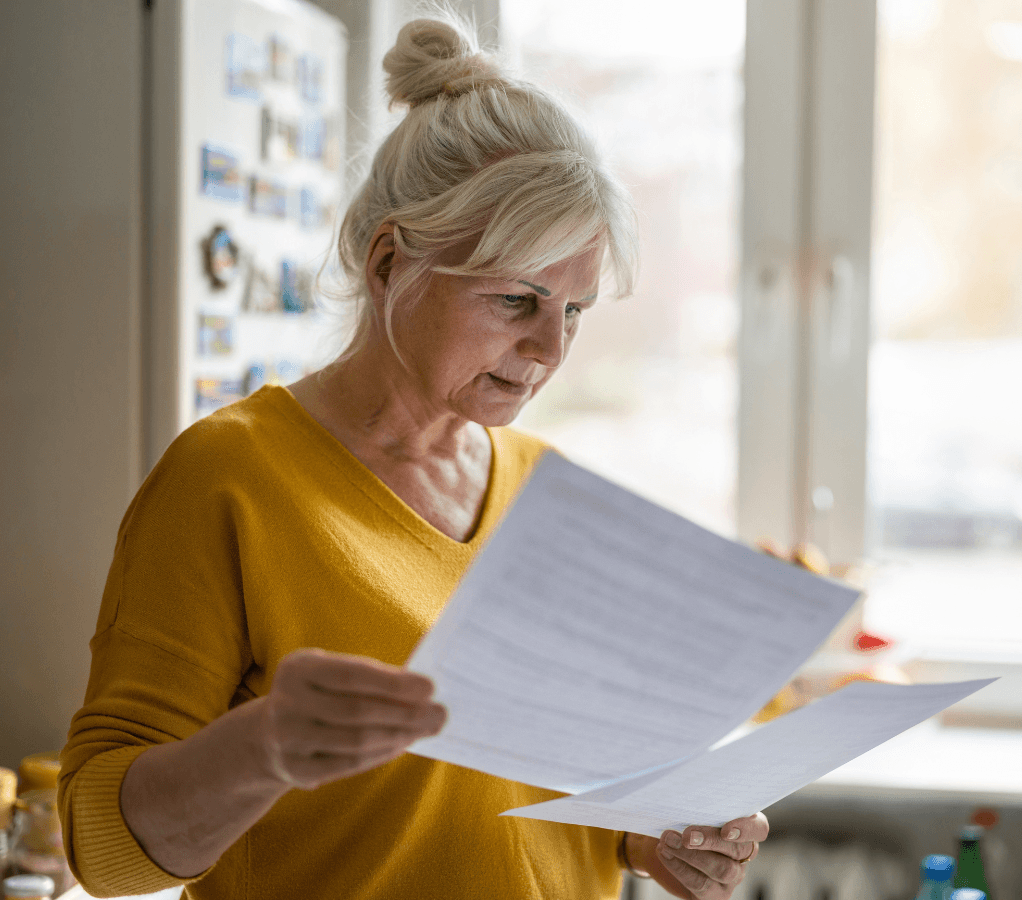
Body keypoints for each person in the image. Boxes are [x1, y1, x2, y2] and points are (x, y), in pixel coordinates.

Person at [59, 13, 767, 900]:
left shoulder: (548, 491)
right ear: (391, 260)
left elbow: (543, 793)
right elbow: (103, 849)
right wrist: (265, 746)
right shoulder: (228, 478)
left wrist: (654, 836)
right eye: (518, 299)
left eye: (576, 311)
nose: (552, 347)